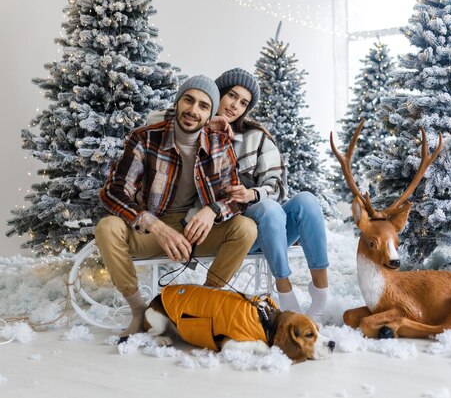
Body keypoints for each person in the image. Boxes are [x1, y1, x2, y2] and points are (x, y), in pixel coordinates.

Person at [95, 75, 257, 338]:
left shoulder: (220, 143)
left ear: (210, 114)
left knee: (246, 228)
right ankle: (140, 311)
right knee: (107, 227)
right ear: (178, 102)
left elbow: (234, 198)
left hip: (195, 230)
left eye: (204, 106)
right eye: (189, 100)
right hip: (152, 230)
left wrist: (211, 211)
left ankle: (205, 304)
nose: (194, 110)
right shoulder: (145, 138)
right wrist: (154, 224)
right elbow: (113, 192)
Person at [215, 68, 329, 321]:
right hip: (233, 232)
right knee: (269, 209)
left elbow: (276, 187)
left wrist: (251, 193)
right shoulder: (196, 128)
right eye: (231, 96)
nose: (235, 106)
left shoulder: (256, 136)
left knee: (306, 201)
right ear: (218, 93)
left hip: (270, 227)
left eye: (243, 102)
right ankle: (285, 291)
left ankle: (320, 291)